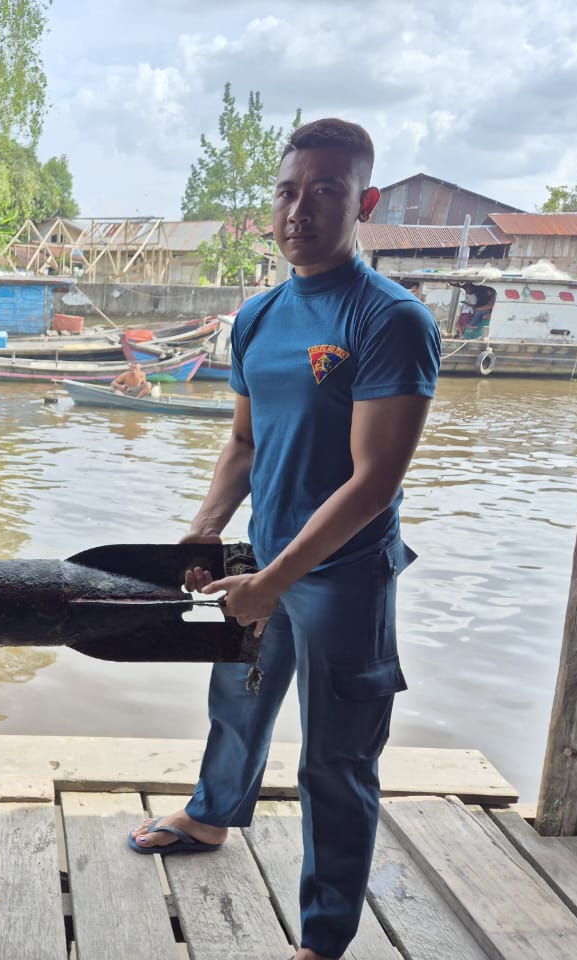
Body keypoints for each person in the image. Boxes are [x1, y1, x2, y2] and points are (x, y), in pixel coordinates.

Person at [128, 119, 440, 960]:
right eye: (288, 190)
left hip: (343, 578)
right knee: (236, 700)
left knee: (336, 759)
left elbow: (375, 481)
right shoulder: (260, 316)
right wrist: (203, 532)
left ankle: (324, 936)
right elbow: (245, 442)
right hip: (260, 562)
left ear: (364, 201)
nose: (300, 209)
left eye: (327, 191)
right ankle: (211, 814)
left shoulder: (391, 321)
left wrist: (278, 578)